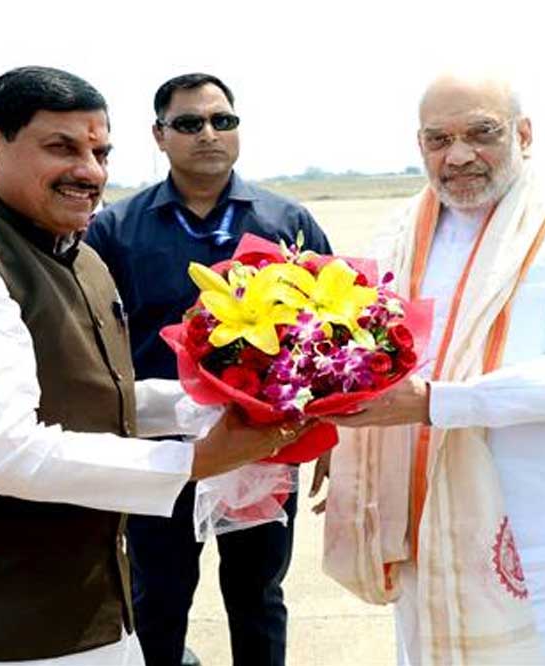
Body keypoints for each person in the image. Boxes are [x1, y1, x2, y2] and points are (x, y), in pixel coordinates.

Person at [0, 66, 306, 666]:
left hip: (92, 614)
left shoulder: (80, 258)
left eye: (100, 152)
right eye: (61, 148)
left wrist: (226, 403)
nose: (91, 171)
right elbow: (9, 451)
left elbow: (98, 398)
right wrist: (196, 459)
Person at [318, 70, 545, 664]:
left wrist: (437, 403)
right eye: (439, 140)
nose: (459, 155)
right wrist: (338, 439)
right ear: (420, 146)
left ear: (524, 134)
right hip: (428, 525)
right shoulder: (399, 233)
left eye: (481, 133)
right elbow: (363, 357)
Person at [85, 72, 332, 666]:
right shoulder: (116, 230)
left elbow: (330, 335)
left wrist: (328, 433)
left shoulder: (285, 222)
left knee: (257, 593)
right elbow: (89, 337)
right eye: (190, 123)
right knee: (157, 596)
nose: (209, 134)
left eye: (223, 121)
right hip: (160, 451)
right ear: (159, 135)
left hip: (262, 445)